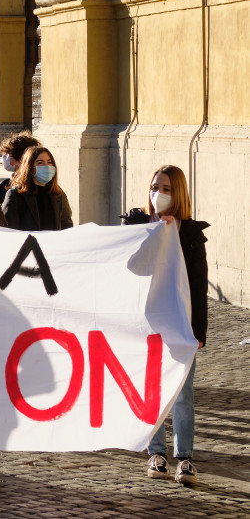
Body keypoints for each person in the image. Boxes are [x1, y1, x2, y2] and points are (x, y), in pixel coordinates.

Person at [121, 165, 208, 485]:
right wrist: (153, 238)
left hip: (180, 323)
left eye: (167, 188)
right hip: (146, 322)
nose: (159, 193)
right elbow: (129, 267)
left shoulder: (190, 233)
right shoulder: (139, 225)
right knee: (152, 390)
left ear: (179, 193)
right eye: (155, 186)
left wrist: (199, 332)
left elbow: (198, 285)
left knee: (183, 394)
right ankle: (155, 452)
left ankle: (185, 458)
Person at [1, 146, 74, 231]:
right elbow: (9, 228)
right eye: (40, 163)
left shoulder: (57, 193)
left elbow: (66, 224)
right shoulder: (16, 194)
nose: (47, 166)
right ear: (30, 167)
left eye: (49, 162)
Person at [0, 131, 40, 203]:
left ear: (22, 158)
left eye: (8, 154)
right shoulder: (3, 186)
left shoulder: (39, 185)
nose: (4, 157)